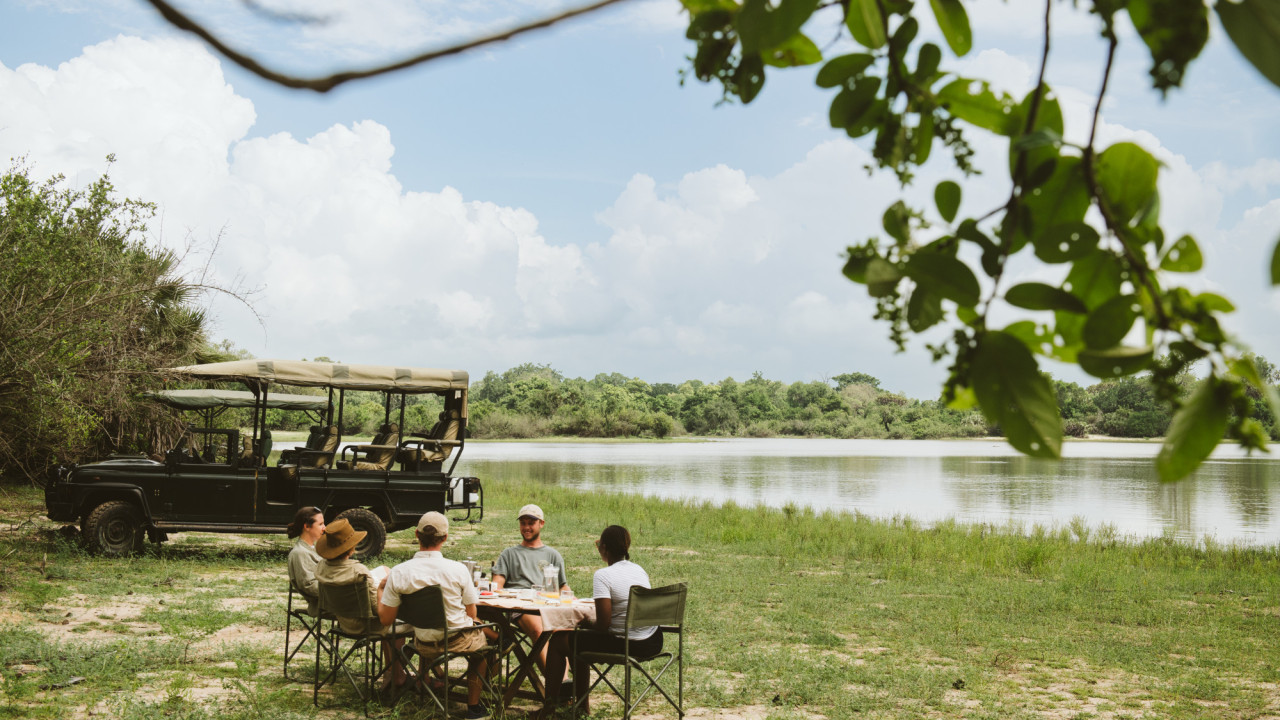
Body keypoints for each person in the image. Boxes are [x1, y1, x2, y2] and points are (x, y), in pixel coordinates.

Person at [377, 511, 497, 720]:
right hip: (456, 640)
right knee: (481, 650)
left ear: (416, 534)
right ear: (445, 538)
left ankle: (430, 679)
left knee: (430, 627)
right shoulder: (458, 570)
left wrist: (380, 589)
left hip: (422, 642)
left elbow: (386, 620)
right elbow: (472, 614)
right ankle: (473, 706)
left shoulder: (399, 572)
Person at [542, 525, 661, 717]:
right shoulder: (639, 570)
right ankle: (581, 707)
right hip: (653, 641)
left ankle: (549, 710)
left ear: (604, 548)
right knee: (579, 641)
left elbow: (603, 625)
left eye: (598, 545)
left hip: (628, 644)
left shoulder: (603, 576)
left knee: (558, 641)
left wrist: (587, 622)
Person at [314, 518, 403, 687]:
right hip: (366, 625)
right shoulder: (358, 571)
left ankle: (394, 674)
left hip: (343, 621)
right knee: (396, 621)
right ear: (351, 547)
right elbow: (378, 610)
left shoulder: (322, 567)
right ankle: (396, 675)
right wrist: (381, 588)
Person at [491, 504, 569, 668]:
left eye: (531, 523)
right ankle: (558, 681)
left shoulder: (553, 555)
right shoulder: (509, 554)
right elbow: (497, 585)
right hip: (520, 607)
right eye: (523, 523)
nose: (526, 527)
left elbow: (563, 587)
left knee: (564, 633)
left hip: (547, 605)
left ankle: (564, 680)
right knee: (538, 630)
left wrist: (570, 599)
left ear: (541, 524)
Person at [286, 506, 325, 615]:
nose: (324, 528)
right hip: (324, 604)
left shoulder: (314, 548)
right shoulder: (300, 553)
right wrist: (341, 589)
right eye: (320, 524)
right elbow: (309, 586)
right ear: (307, 526)